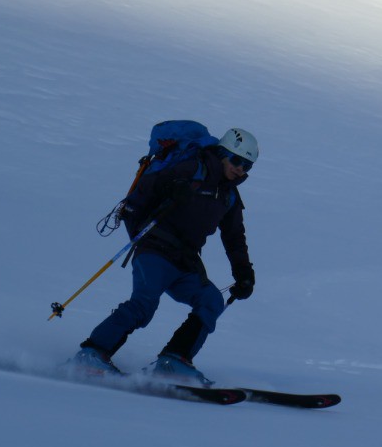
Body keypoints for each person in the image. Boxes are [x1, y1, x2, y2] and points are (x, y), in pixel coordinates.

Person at [69, 127, 259, 386]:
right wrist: (141, 232)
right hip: (155, 248)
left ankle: (173, 362)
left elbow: (235, 237)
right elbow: (138, 200)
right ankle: (92, 353)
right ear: (223, 154)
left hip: (186, 259)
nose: (240, 169)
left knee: (211, 300)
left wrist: (244, 273)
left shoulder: (230, 196)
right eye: (237, 161)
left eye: (247, 165)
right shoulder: (192, 169)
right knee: (144, 305)